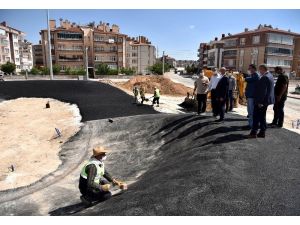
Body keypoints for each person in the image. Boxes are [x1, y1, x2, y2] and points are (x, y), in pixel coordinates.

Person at [247, 64, 275, 138]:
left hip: (261, 102)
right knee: (262, 117)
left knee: (256, 117)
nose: (259, 71)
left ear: (263, 69)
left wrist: (260, 102)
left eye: (260, 70)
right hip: (265, 101)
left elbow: (263, 91)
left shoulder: (265, 77)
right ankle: (262, 132)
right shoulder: (270, 75)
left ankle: (253, 133)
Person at [245, 64, 259, 128]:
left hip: (252, 96)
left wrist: (246, 77)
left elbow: (247, 79)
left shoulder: (256, 75)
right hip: (250, 96)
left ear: (254, 69)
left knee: (251, 111)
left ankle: (252, 125)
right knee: (249, 111)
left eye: (250, 68)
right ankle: (251, 124)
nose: (249, 69)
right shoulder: (252, 75)